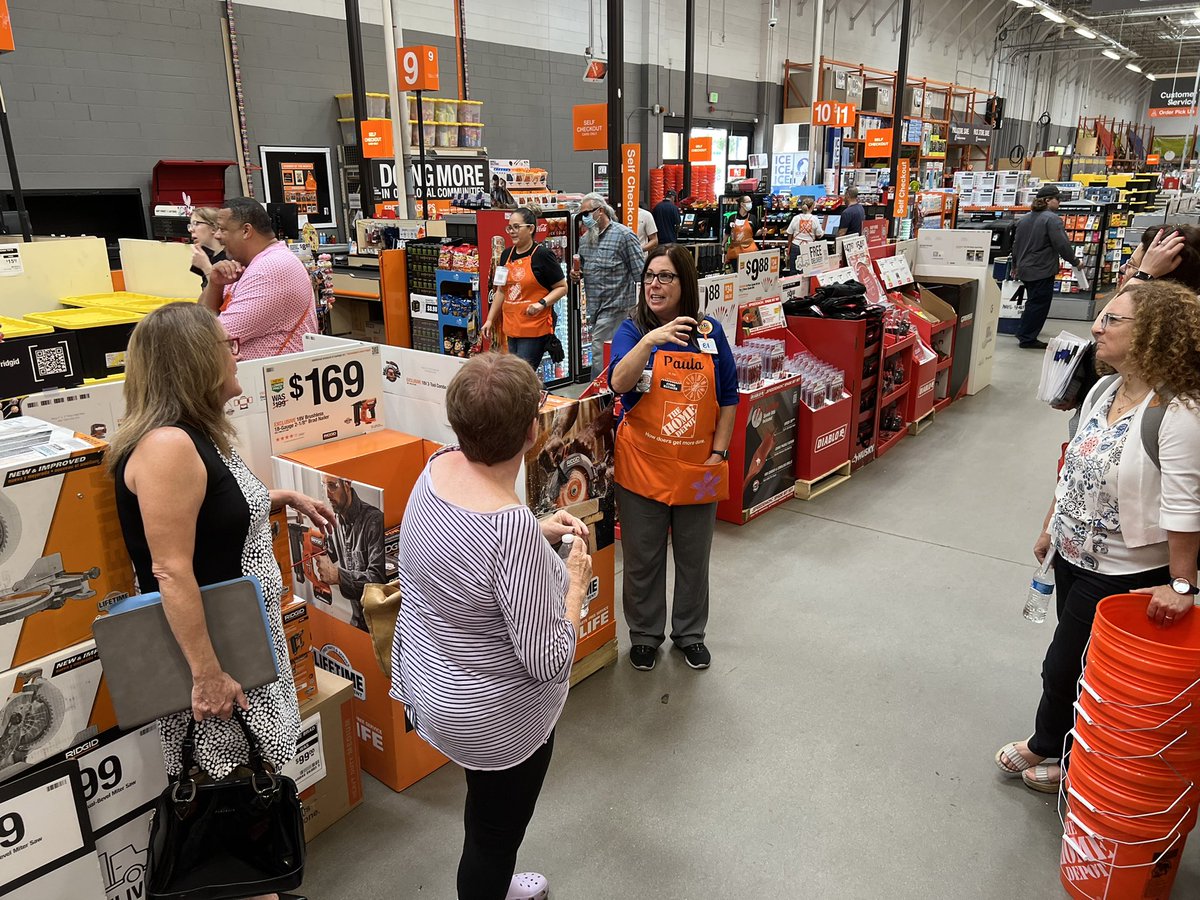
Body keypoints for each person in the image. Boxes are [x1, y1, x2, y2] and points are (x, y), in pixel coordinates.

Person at [108, 303, 332, 900]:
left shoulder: (195, 437)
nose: (237, 354)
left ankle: (263, 884)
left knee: (252, 787)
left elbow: (214, 517)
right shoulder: (167, 447)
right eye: (225, 346)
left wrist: (275, 498)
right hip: (219, 660)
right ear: (195, 364)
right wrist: (207, 675)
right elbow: (171, 571)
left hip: (243, 648)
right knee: (231, 798)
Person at [390, 352, 592, 900]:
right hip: (494, 719)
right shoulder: (509, 530)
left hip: (434, 684)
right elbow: (550, 656)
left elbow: (462, 558)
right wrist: (574, 581)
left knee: (483, 809)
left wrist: (534, 530)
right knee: (493, 837)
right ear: (532, 431)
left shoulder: (436, 468)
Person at [995, 280, 1200, 794]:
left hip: (1124, 571)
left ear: (1154, 332)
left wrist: (1181, 585)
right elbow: (1074, 466)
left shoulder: (1178, 414)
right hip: (1073, 556)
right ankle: (1069, 746)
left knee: (1066, 665)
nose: (1096, 327)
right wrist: (1050, 523)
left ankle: (1053, 750)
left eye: (1113, 320)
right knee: (1082, 662)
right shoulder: (1104, 390)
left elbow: (1185, 507)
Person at [607, 244, 739, 672]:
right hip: (643, 465)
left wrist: (718, 453)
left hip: (698, 467)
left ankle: (689, 633)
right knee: (643, 558)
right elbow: (618, 383)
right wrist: (650, 340)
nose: (654, 284)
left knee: (693, 556)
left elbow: (729, 397)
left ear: (685, 284)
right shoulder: (632, 331)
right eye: (649, 276)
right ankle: (644, 635)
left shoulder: (710, 333)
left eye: (665, 277)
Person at [200, 197, 318, 360]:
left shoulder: (271, 269)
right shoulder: (248, 265)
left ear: (246, 231)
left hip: (273, 381)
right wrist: (215, 284)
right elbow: (200, 319)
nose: (217, 236)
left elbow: (208, 337)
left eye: (222, 229)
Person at [481, 207, 568, 371]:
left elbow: (562, 288)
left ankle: (536, 396)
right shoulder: (506, 255)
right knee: (518, 375)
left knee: (520, 374)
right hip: (511, 328)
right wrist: (490, 320)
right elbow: (501, 291)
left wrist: (541, 303)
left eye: (516, 227)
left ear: (531, 228)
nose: (511, 232)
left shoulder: (542, 255)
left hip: (534, 329)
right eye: (509, 228)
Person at [574, 192, 644, 379]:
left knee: (599, 354)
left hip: (617, 308)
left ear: (601, 211)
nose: (585, 219)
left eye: (587, 214)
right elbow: (583, 269)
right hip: (594, 309)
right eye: (582, 216)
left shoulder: (624, 236)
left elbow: (641, 273)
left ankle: (599, 396)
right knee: (610, 353)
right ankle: (613, 389)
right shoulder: (585, 240)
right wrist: (576, 275)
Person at [1010, 185, 1083, 350]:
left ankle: (1023, 332)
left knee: (1032, 302)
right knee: (1039, 304)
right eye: (1058, 199)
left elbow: (1016, 245)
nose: (1060, 202)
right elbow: (1062, 244)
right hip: (1041, 269)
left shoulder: (1024, 219)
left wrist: (1015, 265)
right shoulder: (1052, 219)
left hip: (1025, 268)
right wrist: (1075, 262)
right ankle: (1027, 338)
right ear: (1047, 200)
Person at [313, 475, 386, 631]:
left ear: (347, 484)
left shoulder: (374, 520)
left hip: (380, 627)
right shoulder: (335, 522)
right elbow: (329, 552)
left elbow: (378, 580)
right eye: (323, 486)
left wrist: (338, 576)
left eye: (332, 486)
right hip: (357, 622)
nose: (327, 494)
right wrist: (314, 542)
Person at [188, 207, 226, 290]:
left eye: (196, 223)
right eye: (190, 225)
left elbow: (223, 295)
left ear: (213, 228)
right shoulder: (204, 254)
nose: (191, 229)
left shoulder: (229, 258)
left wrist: (206, 267)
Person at [786, 197, 825, 273]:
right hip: (809, 247)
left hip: (796, 246)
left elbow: (789, 233)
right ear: (812, 207)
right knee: (808, 272)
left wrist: (789, 246)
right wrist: (823, 232)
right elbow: (819, 235)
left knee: (794, 271)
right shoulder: (814, 219)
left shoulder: (796, 218)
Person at [725, 194, 758, 263]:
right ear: (742, 204)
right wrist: (722, 246)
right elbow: (727, 233)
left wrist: (762, 231)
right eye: (748, 202)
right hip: (735, 252)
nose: (750, 204)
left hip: (749, 251)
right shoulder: (732, 218)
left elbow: (755, 233)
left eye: (751, 202)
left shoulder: (752, 218)